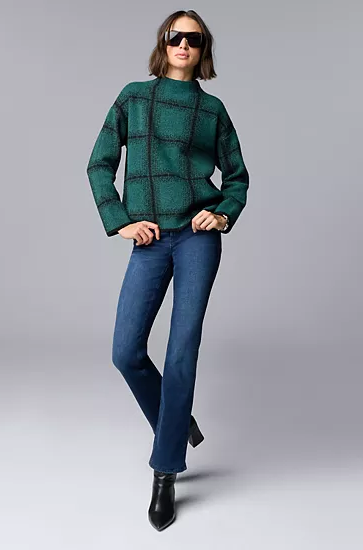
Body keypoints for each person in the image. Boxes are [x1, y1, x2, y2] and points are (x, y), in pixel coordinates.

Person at [86, 9, 249, 531]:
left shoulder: (212, 110)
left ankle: (165, 471)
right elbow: (99, 163)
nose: (183, 45)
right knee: (126, 352)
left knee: (181, 352)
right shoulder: (134, 98)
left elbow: (238, 177)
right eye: (175, 36)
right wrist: (120, 221)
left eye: (193, 39)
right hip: (152, 239)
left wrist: (222, 213)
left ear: (203, 50)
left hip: (198, 240)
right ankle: (178, 424)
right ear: (163, 42)